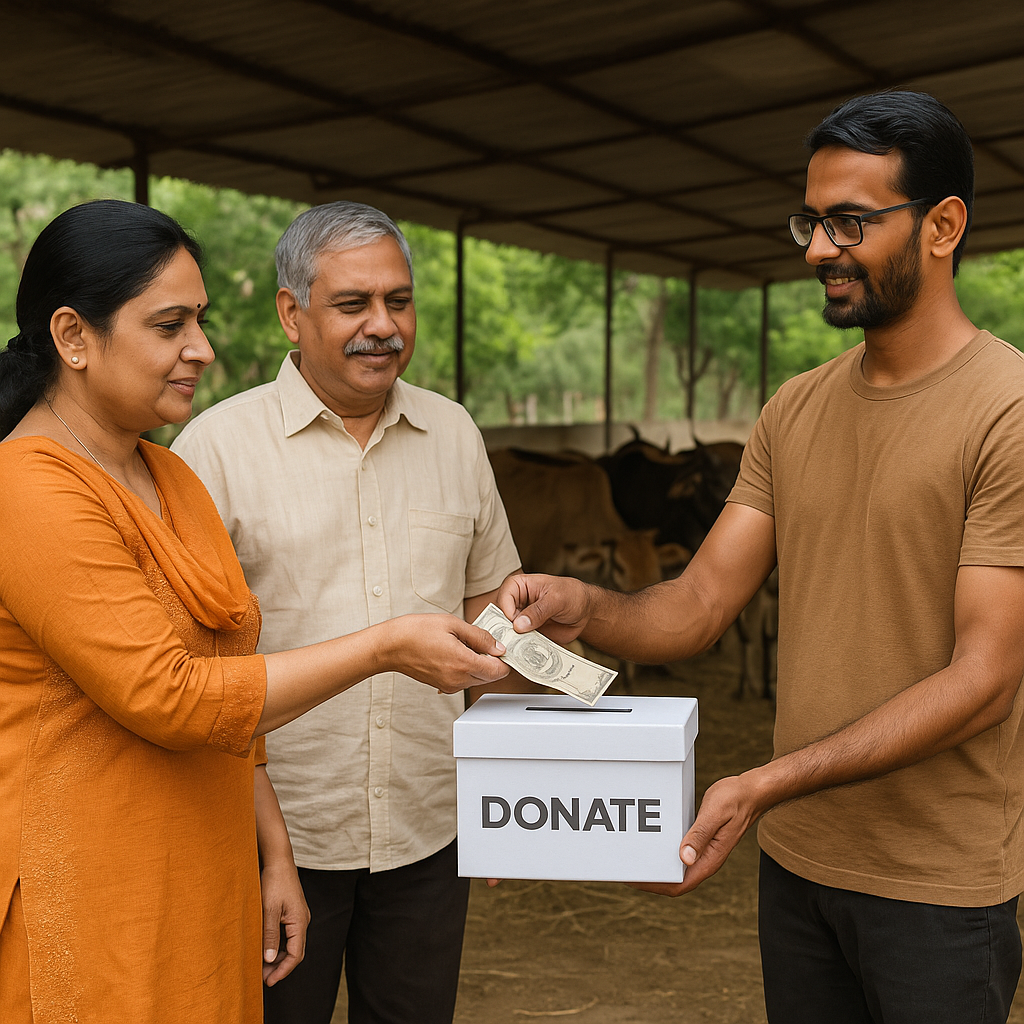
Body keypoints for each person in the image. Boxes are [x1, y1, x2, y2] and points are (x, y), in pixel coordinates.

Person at [496, 90, 1024, 1023]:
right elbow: (698, 606)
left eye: (850, 222)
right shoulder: (793, 409)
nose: (819, 249)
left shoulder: (1007, 410)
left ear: (943, 225)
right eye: (812, 222)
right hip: (797, 870)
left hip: (938, 888)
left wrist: (764, 782)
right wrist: (584, 603)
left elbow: (985, 676)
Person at [0, 199, 509, 1024]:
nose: (202, 349)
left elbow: (232, 681)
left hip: (209, 868)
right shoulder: (35, 486)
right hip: (94, 884)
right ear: (73, 337)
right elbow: (172, 694)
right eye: (171, 326)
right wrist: (382, 648)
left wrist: (273, 853)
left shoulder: (167, 480)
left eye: (198, 321)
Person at [172, 201, 524, 1024]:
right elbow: (193, 673)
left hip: (429, 829)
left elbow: (487, 605)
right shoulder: (212, 452)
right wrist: (264, 848)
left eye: (398, 302)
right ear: (292, 314)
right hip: (274, 843)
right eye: (352, 305)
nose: (383, 327)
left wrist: (508, 788)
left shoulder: (455, 432)